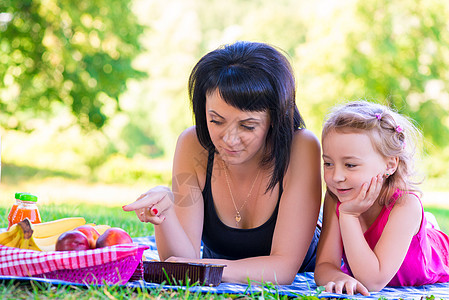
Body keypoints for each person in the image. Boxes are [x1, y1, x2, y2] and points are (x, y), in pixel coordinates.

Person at [123, 41, 322, 284]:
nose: (228, 139)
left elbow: (282, 269)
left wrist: (202, 268)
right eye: (216, 120)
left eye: (247, 126)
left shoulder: (300, 147)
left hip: (303, 272)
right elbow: (180, 262)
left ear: (275, 118)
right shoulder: (193, 143)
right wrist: (165, 216)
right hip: (214, 269)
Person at [314, 100, 449, 296]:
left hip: (439, 257)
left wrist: (349, 216)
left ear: (390, 165)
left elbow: (373, 281)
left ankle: (426, 229)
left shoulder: (405, 204)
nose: (336, 177)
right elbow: (325, 265)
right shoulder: (336, 196)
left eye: (350, 165)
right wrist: (336, 276)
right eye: (328, 163)